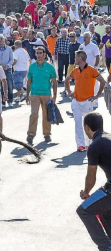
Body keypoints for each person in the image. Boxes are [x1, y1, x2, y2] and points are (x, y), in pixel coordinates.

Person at [76, 112, 111, 251]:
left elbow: (91, 177)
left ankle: (105, 247)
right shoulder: (108, 137)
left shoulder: (95, 145)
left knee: (84, 210)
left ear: (87, 128)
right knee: (105, 211)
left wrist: (85, 192)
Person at [65, 50, 106, 152]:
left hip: (88, 101)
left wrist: (97, 95)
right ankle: (80, 145)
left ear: (80, 58)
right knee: (78, 123)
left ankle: (89, 144)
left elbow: (102, 81)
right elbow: (67, 80)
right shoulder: (75, 70)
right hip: (76, 101)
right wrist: (69, 92)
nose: (75, 59)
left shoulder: (92, 70)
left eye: (75, 58)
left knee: (88, 124)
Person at [26, 46, 57, 145]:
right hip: (34, 94)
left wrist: (55, 96)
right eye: (37, 53)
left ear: (44, 55)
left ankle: (47, 134)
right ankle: (31, 134)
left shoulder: (50, 67)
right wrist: (27, 95)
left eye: (40, 53)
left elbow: (54, 82)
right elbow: (29, 81)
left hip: (46, 94)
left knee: (46, 115)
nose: (39, 55)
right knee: (34, 114)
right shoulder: (32, 67)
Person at [0, 34, 14, 106]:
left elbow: (11, 59)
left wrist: (7, 65)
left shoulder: (9, 49)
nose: (0, 40)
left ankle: (10, 101)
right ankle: (3, 102)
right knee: (1, 86)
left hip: (8, 69)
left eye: (1, 39)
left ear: (4, 39)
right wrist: (0, 66)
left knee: (10, 85)